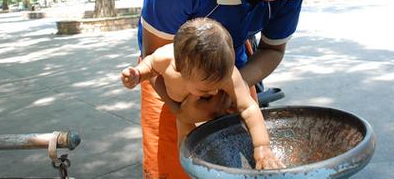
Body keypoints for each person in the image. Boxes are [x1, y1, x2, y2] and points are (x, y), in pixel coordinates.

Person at [137, 0, 351, 178]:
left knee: (241, 161)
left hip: (230, 64)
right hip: (171, 67)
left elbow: (272, 49)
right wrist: (181, 106)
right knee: (173, 166)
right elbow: (155, 56)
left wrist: (231, 88)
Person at [122, 18, 285, 169]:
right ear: (180, 68)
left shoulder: (230, 75)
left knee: (233, 150)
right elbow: (149, 64)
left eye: (220, 85)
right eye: (206, 89)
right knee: (187, 152)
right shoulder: (165, 58)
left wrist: (262, 146)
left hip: (221, 114)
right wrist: (137, 74)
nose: (215, 92)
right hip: (184, 116)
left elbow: (249, 109)